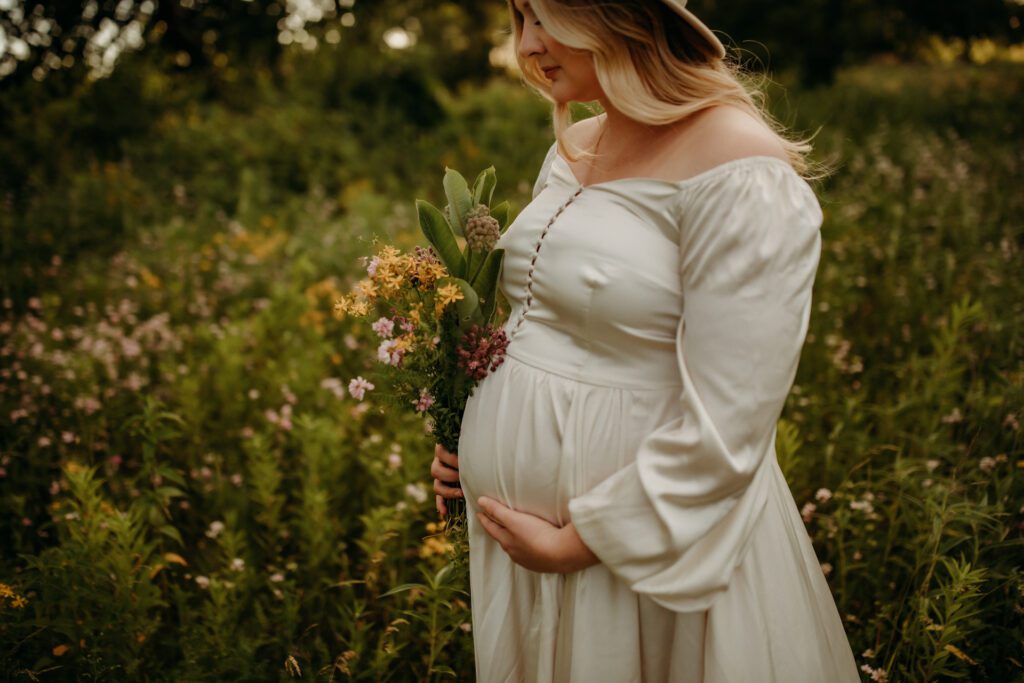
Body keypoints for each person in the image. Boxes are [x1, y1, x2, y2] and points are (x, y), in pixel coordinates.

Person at [430, 0, 861, 680]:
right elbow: (539, 314)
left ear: (616, 14)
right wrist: (466, 437)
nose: (528, 45)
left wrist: (582, 541)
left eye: (544, 18)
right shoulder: (579, 142)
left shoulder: (739, 162)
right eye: (518, 21)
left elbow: (732, 420)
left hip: (646, 562)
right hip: (525, 558)